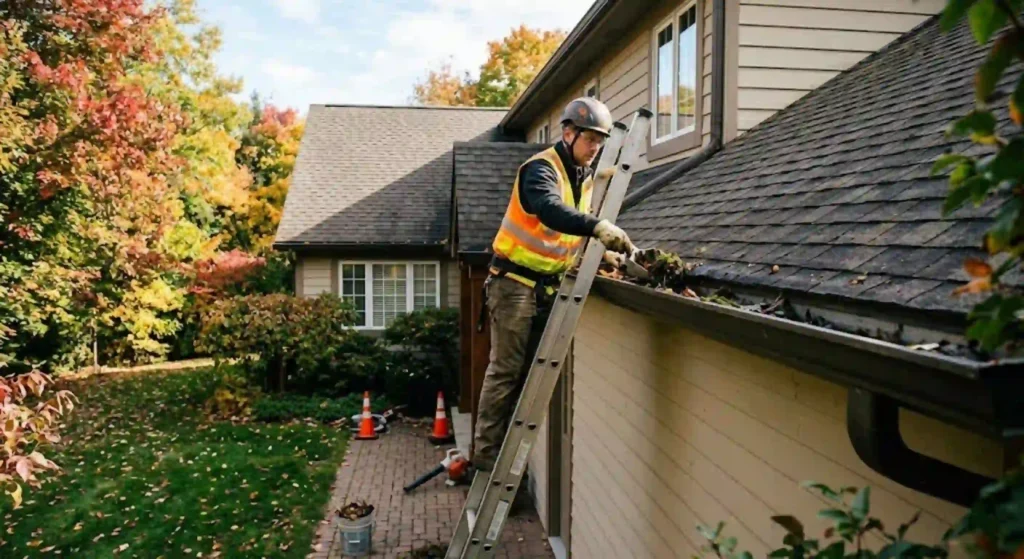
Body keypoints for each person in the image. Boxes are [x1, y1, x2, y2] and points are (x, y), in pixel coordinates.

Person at [472, 97, 635, 472]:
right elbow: (549, 210)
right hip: (513, 283)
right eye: (590, 139)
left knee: (532, 374)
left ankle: (510, 460)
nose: (595, 148)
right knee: (506, 370)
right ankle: (485, 456)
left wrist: (598, 254)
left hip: (545, 286)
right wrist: (597, 228)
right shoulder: (541, 170)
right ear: (568, 133)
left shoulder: (583, 176)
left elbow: (561, 237)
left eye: (601, 141)